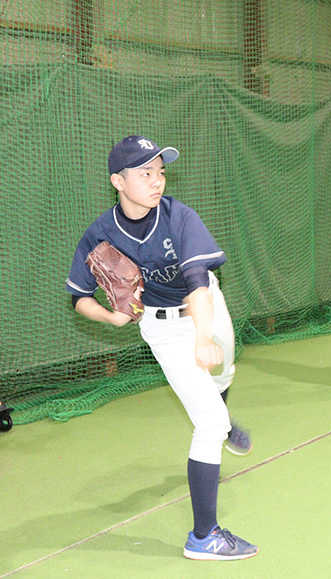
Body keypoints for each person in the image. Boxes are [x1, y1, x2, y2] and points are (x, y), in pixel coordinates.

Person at [65, 136, 258, 561]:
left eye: (161, 171)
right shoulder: (100, 233)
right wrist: (111, 317)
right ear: (118, 181)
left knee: (224, 371)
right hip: (163, 328)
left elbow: (198, 285)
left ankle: (221, 413)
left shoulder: (179, 217)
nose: (157, 181)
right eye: (145, 173)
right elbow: (78, 297)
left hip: (205, 305)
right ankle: (204, 536)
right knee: (209, 422)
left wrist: (203, 336)